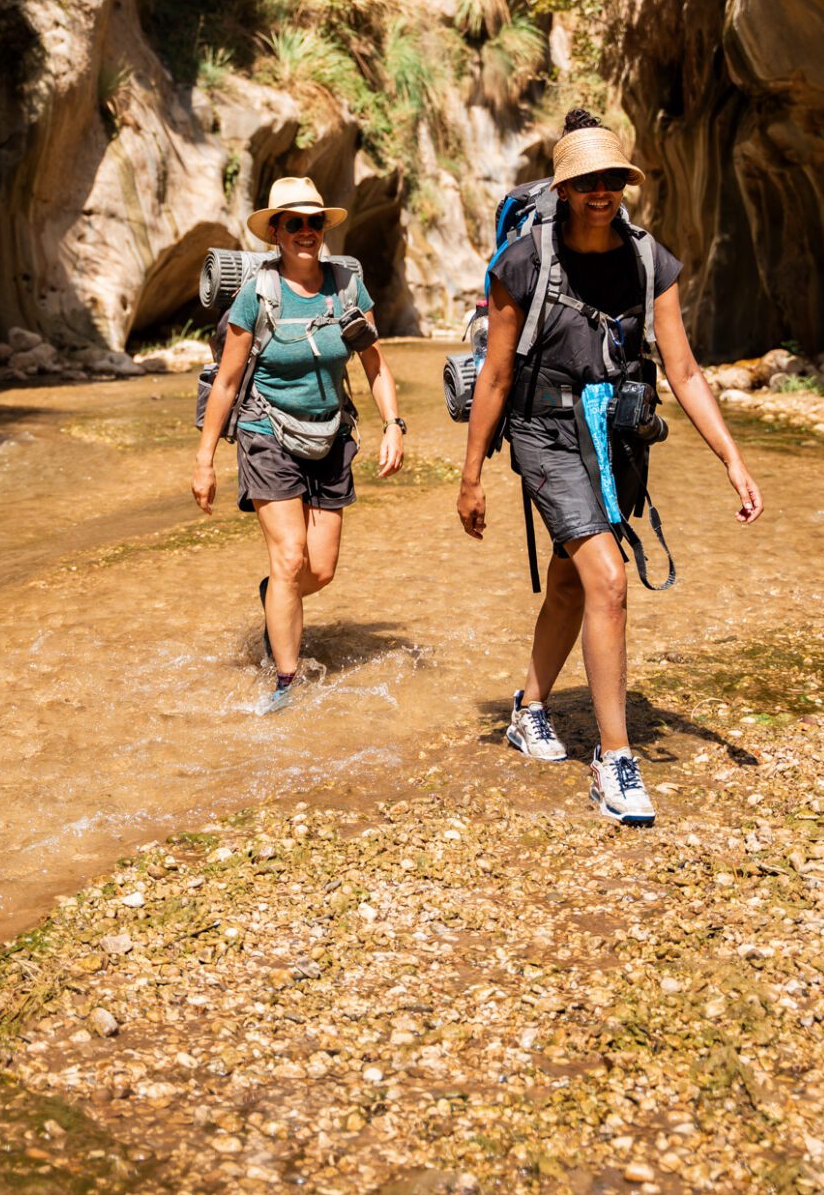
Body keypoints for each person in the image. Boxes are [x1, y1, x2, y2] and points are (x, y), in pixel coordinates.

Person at [456, 108, 763, 826]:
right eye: (587, 180)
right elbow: (497, 379)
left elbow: (683, 371)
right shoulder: (523, 264)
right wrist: (470, 477)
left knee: (571, 582)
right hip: (544, 430)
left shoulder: (651, 260)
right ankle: (614, 764)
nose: (601, 192)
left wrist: (732, 459)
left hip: (617, 434)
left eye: (613, 179)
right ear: (563, 188)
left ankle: (529, 709)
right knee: (610, 580)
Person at [192, 176, 406, 712]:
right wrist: (205, 459)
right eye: (294, 223)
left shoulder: (347, 288)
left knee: (320, 569)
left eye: (314, 222)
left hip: (330, 433)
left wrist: (394, 424)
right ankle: (286, 683)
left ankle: (275, 599)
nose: (306, 232)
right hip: (267, 433)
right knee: (289, 558)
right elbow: (226, 382)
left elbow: (374, 364)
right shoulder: (256, 294)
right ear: (277, 233)